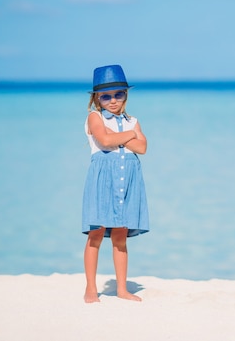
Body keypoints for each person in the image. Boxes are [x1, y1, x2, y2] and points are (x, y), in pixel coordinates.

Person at [82, 64, 149, 302]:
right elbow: (104, 140)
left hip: (128, 181)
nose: (113, 100)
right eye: (106, 96)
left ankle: (122, 289)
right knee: (96, 233)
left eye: (118, 94)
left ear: (125, 95)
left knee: (120, 235)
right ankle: (91, 287)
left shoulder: (133, 120)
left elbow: (142, 147)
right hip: (103, 181)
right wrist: (130, 135)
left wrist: (124, 135)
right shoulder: (95, 117)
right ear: (97, 98)